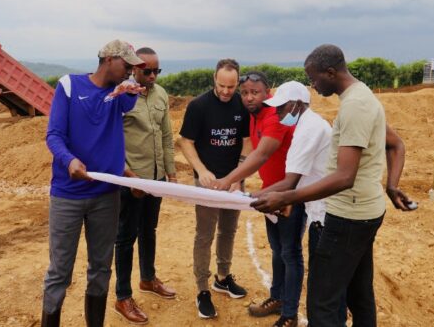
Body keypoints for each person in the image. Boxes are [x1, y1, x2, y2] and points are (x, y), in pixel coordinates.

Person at [252, 44, 415, 327]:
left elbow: (344, 177)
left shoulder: (354, 107)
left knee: (322, 304)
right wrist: (391, 185)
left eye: (314, 79)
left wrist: (287, 197)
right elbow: (395, 144)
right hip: (365, 211)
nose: (313, 87)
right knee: (358, 294)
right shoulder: (362, 97)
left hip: (348, 217)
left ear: (330, 72)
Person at [41, 40, 146, 327]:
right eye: (126, 65)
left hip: (106, 196)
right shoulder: (69, 86)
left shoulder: (119, 94)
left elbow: (128, 99)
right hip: (68, 195)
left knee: (101, 269)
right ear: (109, 59)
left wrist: (129, 86)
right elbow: (54, 135)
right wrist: (69, 161)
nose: (130, 71)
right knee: (59, 272)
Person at [213, 72, 300, 327]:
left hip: (290, 194)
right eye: (245, 93)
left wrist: (228, 179)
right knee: (277, 249)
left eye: (255, 92)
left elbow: (262, 154)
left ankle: (290, 314)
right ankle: (277, 298)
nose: (249, 98)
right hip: (271, 194)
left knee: (290, 253)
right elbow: (253, 151)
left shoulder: (275, 116)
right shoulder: (255, 115)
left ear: (267, 91)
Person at [177, 59, 251, 319]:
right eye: (222, 86)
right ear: (214, 80)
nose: (226, 91)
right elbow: (186, 141)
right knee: (204, 235)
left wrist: (239, 175)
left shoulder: (242, 104)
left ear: (237, 82)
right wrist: (201, 171)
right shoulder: (198, 106)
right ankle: (202, 289)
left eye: (231, 86)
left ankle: (222, 278)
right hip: (207, 183)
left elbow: (246, 140)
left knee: (229, 230)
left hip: (234, 182)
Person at [114, 47, 177, 324]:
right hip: (130, 180)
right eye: (147, 71)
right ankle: (122, 296)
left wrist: (170, 173)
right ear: (134, 69)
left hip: (156, 177)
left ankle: (148, 279)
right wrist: (129, 177)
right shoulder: (122, 96)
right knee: (125, 237)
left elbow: (166, 136)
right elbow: (111, 142)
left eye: (156, 71)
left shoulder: (161, 94)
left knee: (149, 230)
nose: (152, 76)